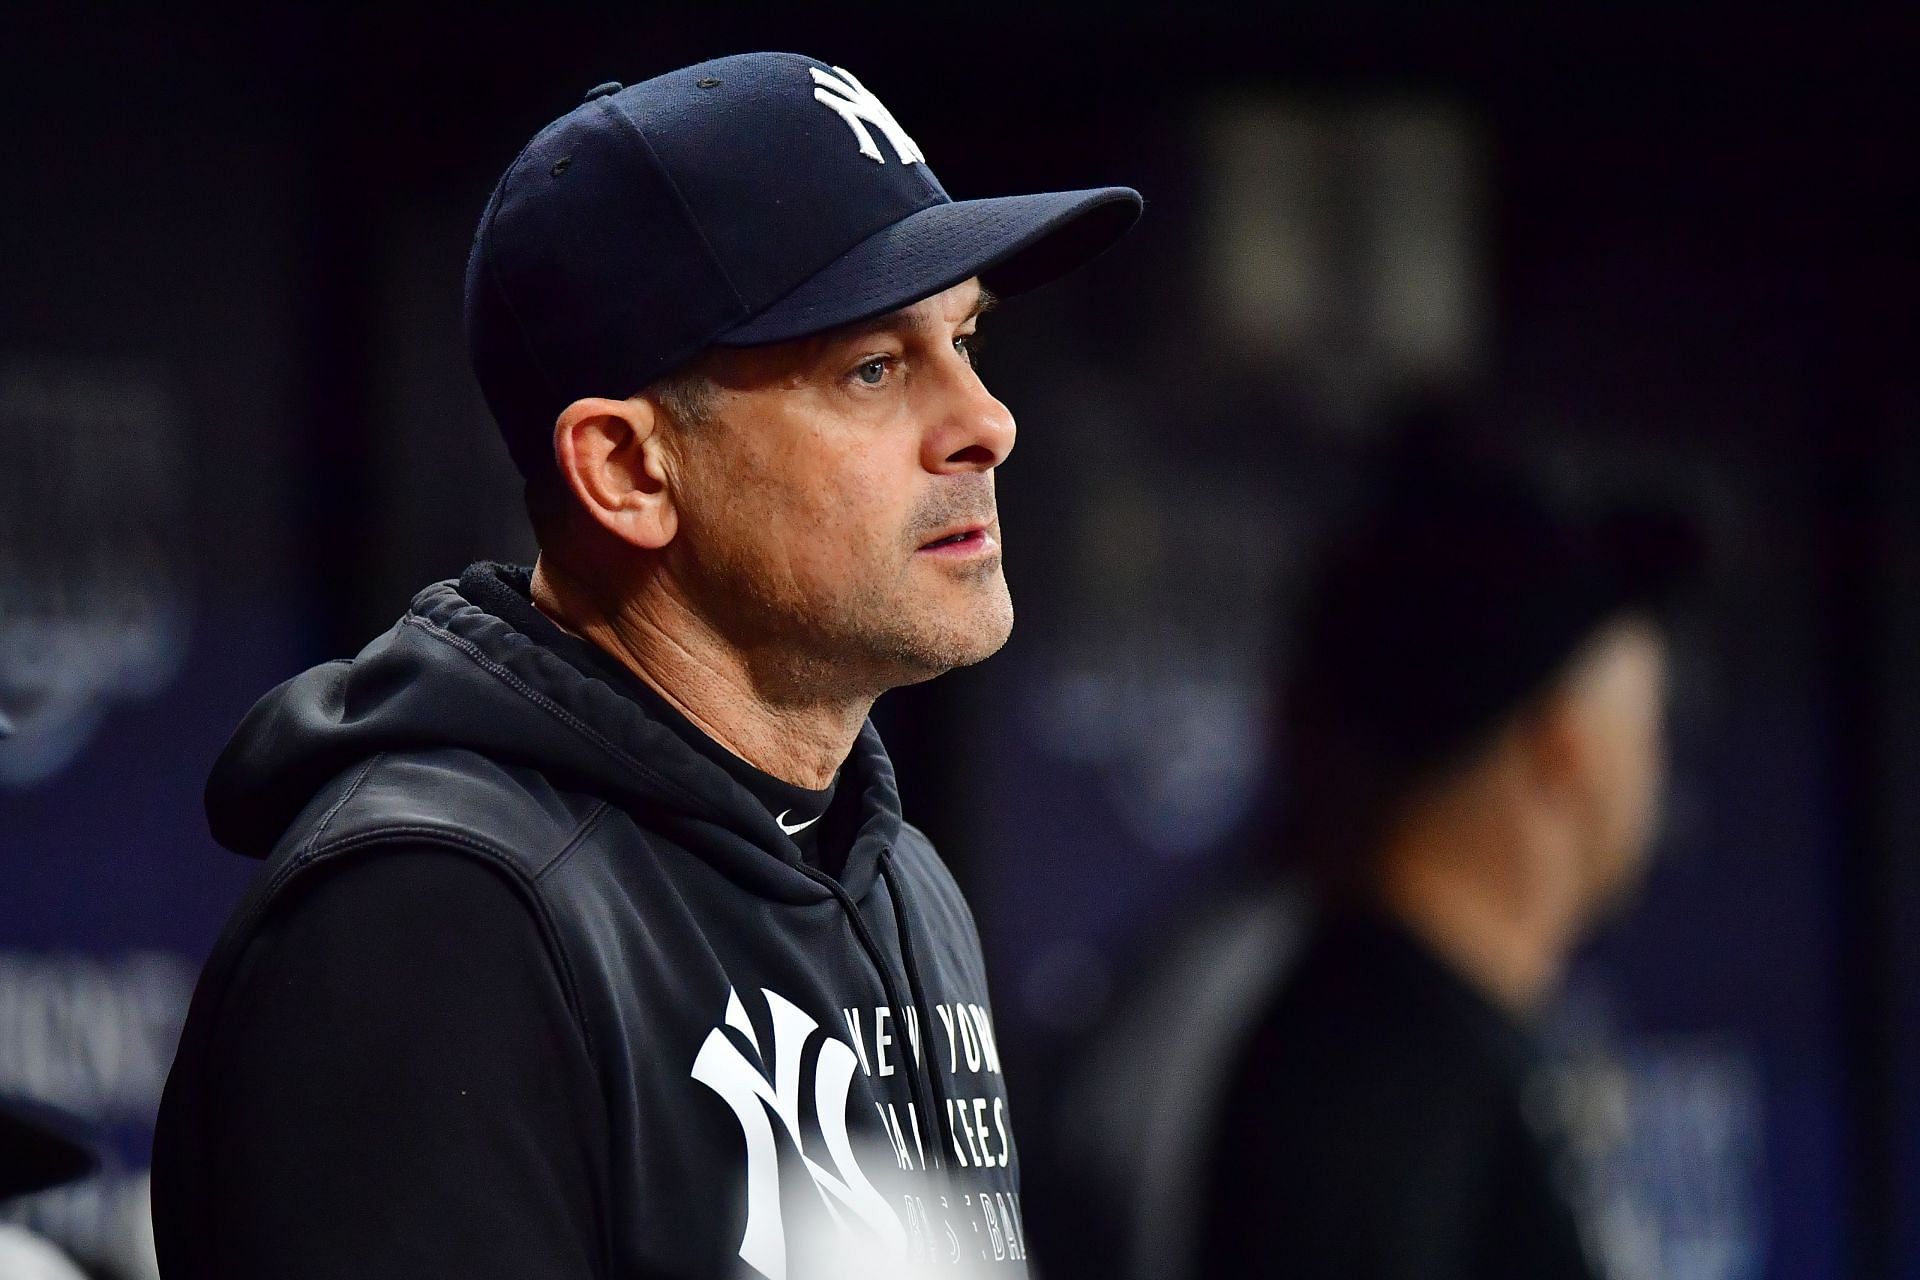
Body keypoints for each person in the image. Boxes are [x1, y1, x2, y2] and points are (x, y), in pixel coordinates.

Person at [152, 52, 1138, 1280]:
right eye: (873, 368)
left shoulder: (895, 875)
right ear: (625, 469)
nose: (985, 419)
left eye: (967, 336)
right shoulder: (436, 915)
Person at [1196, 437, 1699, 1279]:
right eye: (1647, 730)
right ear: (1561, 750)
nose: (1659, 770)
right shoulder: (1371, 1084)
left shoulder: (1433, 1041)